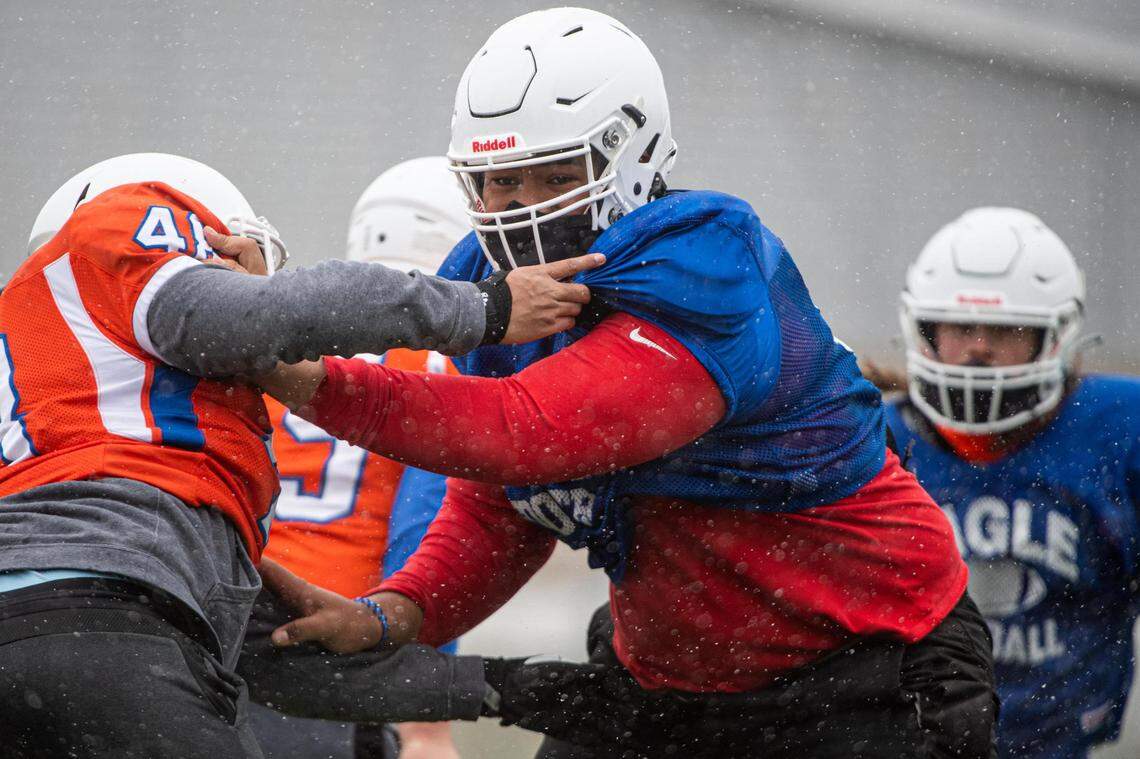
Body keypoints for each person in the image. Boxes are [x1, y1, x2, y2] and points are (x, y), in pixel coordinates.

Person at [253, 8, 998, 758]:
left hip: (867, 664)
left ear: (628, 157)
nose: (522, 207)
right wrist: (393, 614)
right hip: (674, 682)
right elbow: (503, 507)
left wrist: (298, 375)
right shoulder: (495, 290)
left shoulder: (708, 264)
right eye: (500, 181)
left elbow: (529, 432)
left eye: (554, 174)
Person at [0, 151, 600, 758]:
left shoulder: (82, 395)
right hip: (127, 635)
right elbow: (422, 523)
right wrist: (486, 308)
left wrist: (516, 689)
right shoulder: (130, 241)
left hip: (205, 647)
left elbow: (265, 649)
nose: (255, 275)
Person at [880, 207, 1137, 758]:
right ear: (926, 332)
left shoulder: (1117, 430)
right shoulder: (875, 440)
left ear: (1054, 339)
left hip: (1063, 737)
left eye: (1003, 329)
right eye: (961, 326)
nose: (978, 348)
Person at [246, 156, 468, 759]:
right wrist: (426, 720)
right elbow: (426, 531)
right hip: (342, 641)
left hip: (239, 626)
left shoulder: (280, 349)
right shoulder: (439, 365)